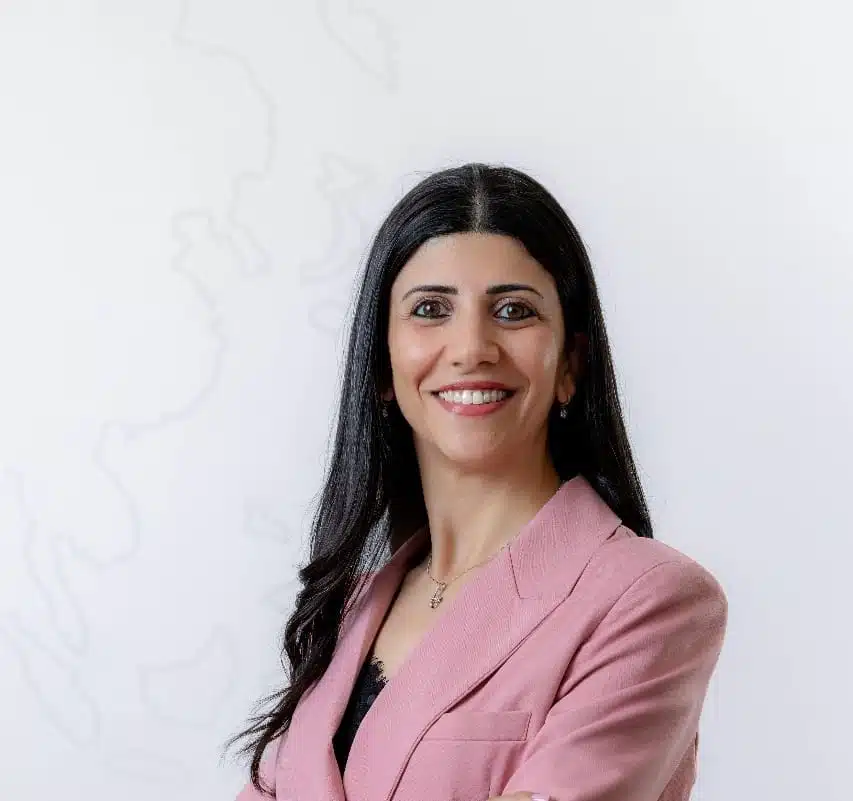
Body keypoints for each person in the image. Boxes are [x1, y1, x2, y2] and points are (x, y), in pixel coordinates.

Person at [226, 163, 728, 801]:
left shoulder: (647, 601)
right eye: (430, 310)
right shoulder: (347, 608)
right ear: (381, 365)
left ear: (570, 365)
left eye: (513, 311)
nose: (471, 347)